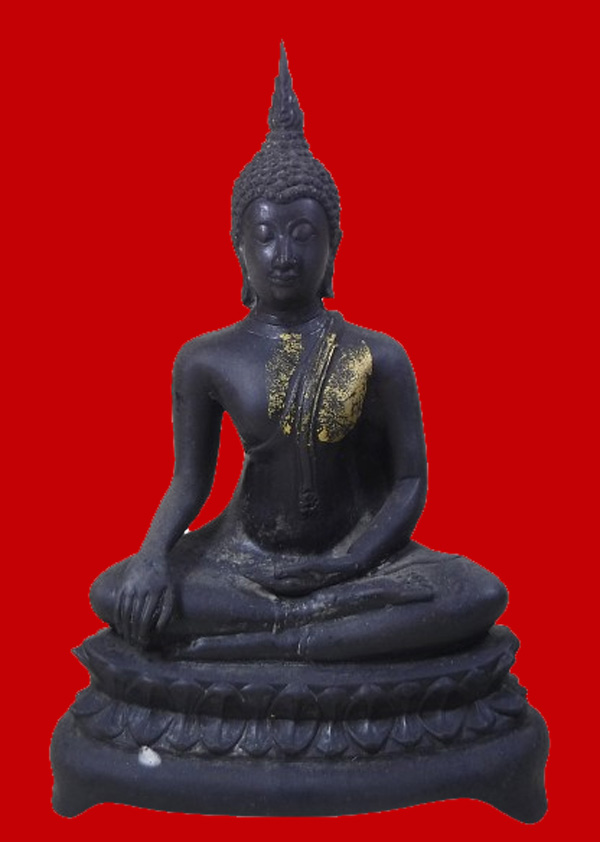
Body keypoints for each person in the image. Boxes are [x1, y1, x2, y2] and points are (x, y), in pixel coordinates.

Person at [90, 46, 506, 661]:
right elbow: (189, 480)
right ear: (238, 249)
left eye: (303, 235)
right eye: (264, 236)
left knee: (477, 591)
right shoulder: (206, 358)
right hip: (243, 560)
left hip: (357, 564)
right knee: (114, 589)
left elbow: (410, 481)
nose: (283, 254)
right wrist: (152, 558)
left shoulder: (379, 355)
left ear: (334, 245)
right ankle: (308, 631)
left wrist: (351, 563)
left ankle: (273, 635)